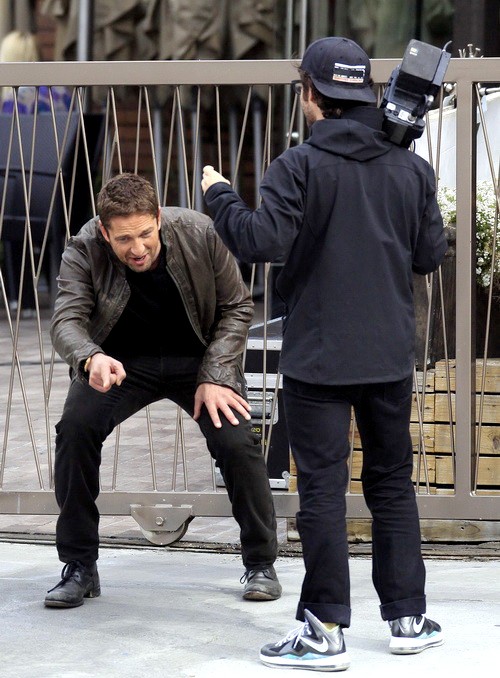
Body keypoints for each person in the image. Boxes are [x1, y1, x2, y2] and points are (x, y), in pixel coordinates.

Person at [201, 36, 448, 671]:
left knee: (322, 490)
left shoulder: (299, 166)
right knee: (391, 483)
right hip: (388, 355)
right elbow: (429, 254)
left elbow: (260, 241)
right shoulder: (411, 168)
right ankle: (408, 618)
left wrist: (220, 194)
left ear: (310, 93)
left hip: (319, 357)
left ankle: (325, 631)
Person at [45, 172, 281, 608]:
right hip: (119, 362)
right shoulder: (84, 247)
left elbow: (236, 306)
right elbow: (66, 319)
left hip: (199, 359)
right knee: (75, 430)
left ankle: (261, 563)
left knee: (237, 441)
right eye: (123, 239)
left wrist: (216, 374)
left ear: (158, 217)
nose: (137, 248)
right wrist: (90, 357)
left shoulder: (200, 232)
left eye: (145, 234)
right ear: (104, 232)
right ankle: (80, 566)